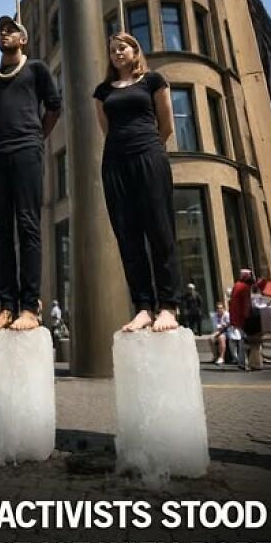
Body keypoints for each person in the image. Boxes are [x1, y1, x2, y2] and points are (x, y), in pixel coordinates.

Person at [93, 32, 180, 333]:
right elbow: (107, 129)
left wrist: (149, 150)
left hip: (149, 155)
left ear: (135, 51)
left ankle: (168, 306)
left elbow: (166, 124)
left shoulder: (153, 80)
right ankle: (143, 306)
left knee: (160, 230)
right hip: (115, 162)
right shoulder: (102, 91)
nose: (117, 53)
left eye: (122, 48)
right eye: (112, 49)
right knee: (128, 237)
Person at [0, 15, 62, 331]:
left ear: (23, 39)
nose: (5, 33)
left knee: (28, 225)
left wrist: (36, 138)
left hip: (27, 150)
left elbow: (54, 107)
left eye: (11, 29)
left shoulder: (37, 69)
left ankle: (30, 306)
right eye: (1, 30)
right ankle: (7, 306)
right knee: (0, 232)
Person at [229, 268, 254, 369]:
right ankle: (245, 362)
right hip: (242, 318)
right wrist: (247, 316)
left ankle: (242, 361)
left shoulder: (236, 285)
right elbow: (245, 304)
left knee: (241, 340)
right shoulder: (244, 287)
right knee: (244, 340)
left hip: (236, 317)